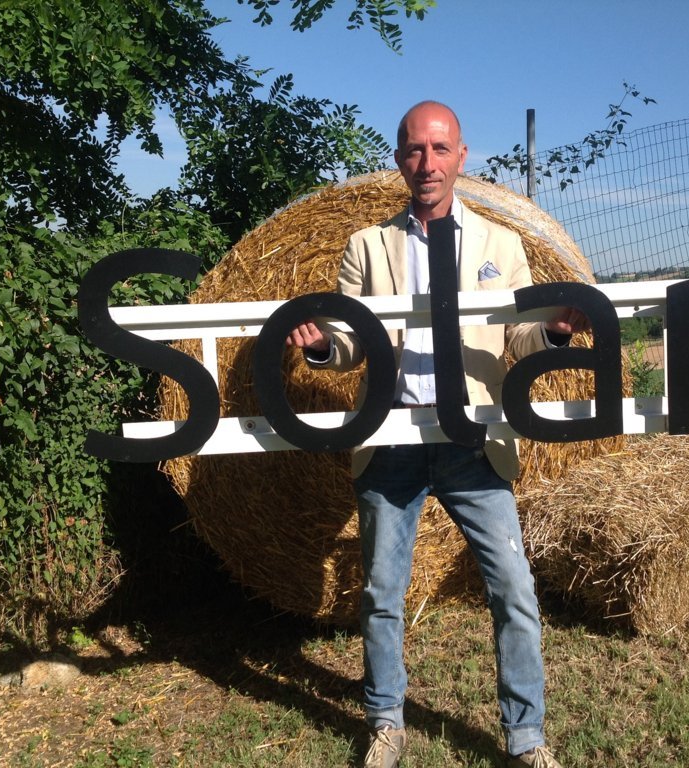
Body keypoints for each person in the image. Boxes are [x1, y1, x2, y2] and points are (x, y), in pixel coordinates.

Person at [287, 101, 588, 768]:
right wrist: (317, 350)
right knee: (381, 594)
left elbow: (519, 335)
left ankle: (526, 735)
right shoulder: (366, 247)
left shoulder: (500, 245)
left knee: (512, 586)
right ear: (399, 159)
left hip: (472, 441)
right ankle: (386, 722)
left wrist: (556, 331)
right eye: (414, 151)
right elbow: (349, 346)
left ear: (461, 156)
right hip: (390, 438)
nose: (427, 163)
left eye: (439, 149)